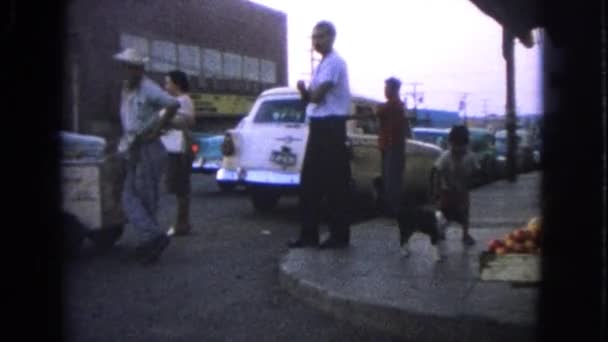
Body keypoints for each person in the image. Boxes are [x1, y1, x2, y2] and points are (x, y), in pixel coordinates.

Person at [288, 20, 352, 249]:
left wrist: (303, 90)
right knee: (310, 183)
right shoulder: (322, 64)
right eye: (314, 37)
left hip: (331, 127)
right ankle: (309, 234)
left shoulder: (335, 63)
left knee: (335, 183)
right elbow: (311, 98)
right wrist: (305, 92)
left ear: (332, 37)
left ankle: (339, 235)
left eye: (321, 36)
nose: (316, 41)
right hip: (319, 126)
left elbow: (316, 96)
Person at [113, 48, 180, 265]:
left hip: (147, 147)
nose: (127, 71)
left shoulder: (148, 88)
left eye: (131, 67)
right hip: (133, 147)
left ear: (139, 70)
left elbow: (172, 104)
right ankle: (151, 238)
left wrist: (157, 128)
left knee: (144, 196)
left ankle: (150, 241)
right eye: (125, 67)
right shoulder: (126, 89)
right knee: (130, 196)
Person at [161, 70, 195, 236]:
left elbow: (188, 121)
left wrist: (166, 119)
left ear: (177, 84)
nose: (165, 86)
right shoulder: (173, 101)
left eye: (168, 83)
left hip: (180, 147)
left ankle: (182, 224)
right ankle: (182, 223)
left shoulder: (183, 100)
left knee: (181, 186)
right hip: (172, 146)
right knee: (177, 186)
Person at [433, 125, 479, 246]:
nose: (458, 149)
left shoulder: (470, 157)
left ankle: (465, 235)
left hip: (463, 191)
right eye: (455, 146)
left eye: (461, 146)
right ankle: (440, 231)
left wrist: (471, 182)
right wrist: (437, 192)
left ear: (466, 145)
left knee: (464, 213)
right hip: (447, 191)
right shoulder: (445, 157)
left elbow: (476, 172)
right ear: (450, 143)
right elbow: (437, 173)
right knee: (444, 214)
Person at [376, 77, 411, 218]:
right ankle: (391, 208)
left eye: (387, 88)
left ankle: (393, 210)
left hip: (393, 146)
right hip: (389, 146)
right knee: (390, 178)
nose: (385, 90)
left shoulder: (394, 104)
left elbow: (379, 111)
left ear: (394, 89)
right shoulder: (396, 105)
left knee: (392, 180)